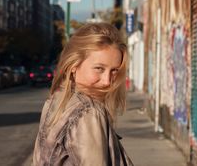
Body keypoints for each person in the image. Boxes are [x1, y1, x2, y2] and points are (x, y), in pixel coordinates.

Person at [33, 23, 134, 166]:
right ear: (74, 65)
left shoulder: (55, 100)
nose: (107, 81)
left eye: (114, 70)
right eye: (99, 68)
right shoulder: (89, 111)